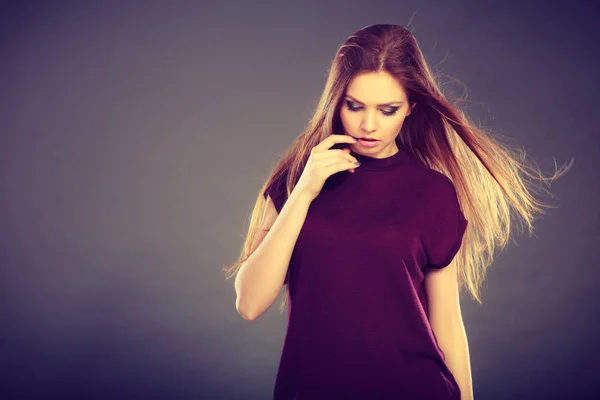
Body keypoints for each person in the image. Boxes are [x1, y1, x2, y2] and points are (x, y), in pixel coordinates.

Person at [224, 24, 570, 399]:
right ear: (335, 101)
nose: (368, 125)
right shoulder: (297, 180)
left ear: (410, 109)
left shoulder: (433, 192)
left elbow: (447, 320)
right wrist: (305, 192)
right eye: (354, 106)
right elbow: (250, 303)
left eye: (387, 110)